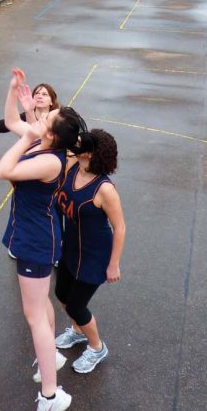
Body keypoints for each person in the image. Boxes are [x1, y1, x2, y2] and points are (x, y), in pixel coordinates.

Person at [0, 69, 86, 411]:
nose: (41, 115)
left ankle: (51, 396)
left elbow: (3, 170)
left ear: (51, 133)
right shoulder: (43, 144)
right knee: (39, 308)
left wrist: (27, 136)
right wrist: (13, 90)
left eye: (46, 117)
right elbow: (11, 120)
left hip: (37, 240)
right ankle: (50, 360)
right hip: (32, 236)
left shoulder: (50, 159)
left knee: (34, 316)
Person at [54, 129, 126, 374]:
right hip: (71, 246)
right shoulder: (74, 164)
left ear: (93, 152)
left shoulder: (104, 189)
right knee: (61, 292)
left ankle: (97, 347)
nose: (77, 143)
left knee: (76, 305)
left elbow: (120, 227)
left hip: (94, 254)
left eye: (83, 143)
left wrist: (113, 264)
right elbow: (56, 135)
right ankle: (77, 331)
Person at [0, 82, 60, 259]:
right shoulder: (37, 124)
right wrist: (13, 91)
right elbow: (9, 122)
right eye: (37, 93)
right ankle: (18, 243)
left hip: (39, 178)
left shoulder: (54, 146)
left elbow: (35, 137)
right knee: (20, 210)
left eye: (45, 94)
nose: (40, 96)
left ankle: (54, 250)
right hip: (25, 172)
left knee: (48, 213)